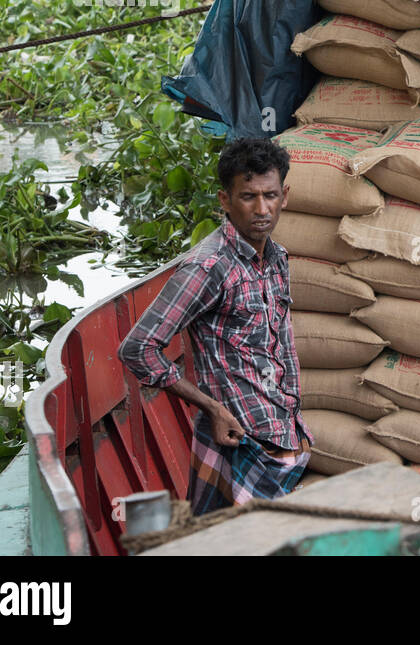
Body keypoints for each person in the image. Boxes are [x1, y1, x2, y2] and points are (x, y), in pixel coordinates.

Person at [118, 138, 312, 515]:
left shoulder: (276, 258)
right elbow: (138, 347)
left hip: (284, 432)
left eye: (270, 195)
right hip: (241, 439)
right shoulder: (209, 267)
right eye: (248, 197)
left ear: (284, 196)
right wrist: (211, 408)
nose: (262, 209)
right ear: (225, 200)